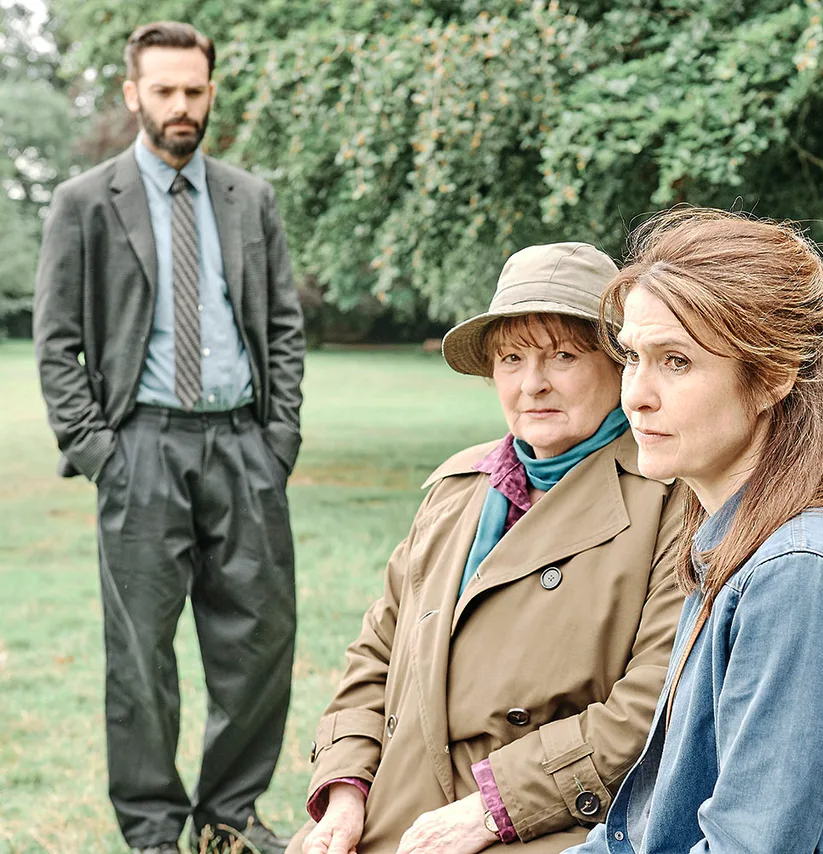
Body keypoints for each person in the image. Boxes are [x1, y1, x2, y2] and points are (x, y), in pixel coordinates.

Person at [564, 209, 823, 854]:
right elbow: (647, 830)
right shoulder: (736, 538)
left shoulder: (803, 570)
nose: (635, 394)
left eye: (676, 361)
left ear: (771, 376)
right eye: (631, 356)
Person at [289, 242, 683, 854]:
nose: (533, 384)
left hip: (551, 828)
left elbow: (653, 706)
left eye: (565, 356)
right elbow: (376, 654)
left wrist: (495, 808)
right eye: (511, 357)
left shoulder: (671, 500)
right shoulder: (455, 490)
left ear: (620, 362)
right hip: (393, 816)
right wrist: (344, 793)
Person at [33, 21, 304, 854]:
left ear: (211, 91)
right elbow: (57, 343)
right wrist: (100, 455)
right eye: (164, 91)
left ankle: (228, 816)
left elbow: (283, 326)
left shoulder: (248, 197)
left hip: (242, 447)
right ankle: (152, 830)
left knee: (259, 642)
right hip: (140, 448)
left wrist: (279, 439)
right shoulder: (85, 201)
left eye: (194, 90)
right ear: (132, 94)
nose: (180, 106)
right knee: (140, 657)